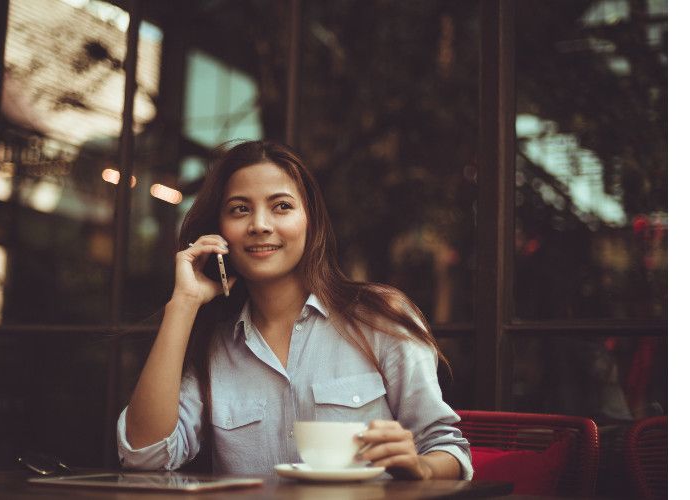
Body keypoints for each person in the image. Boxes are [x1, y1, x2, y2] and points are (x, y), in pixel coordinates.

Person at [117, 140, 473, 480]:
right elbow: (144, 455)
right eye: (240, 209)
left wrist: (420, 467)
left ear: (310, 221)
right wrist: (183, 304)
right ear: (220, 231)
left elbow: (447, 449)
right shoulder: (213, 345)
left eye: (281, 206)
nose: (259, 225)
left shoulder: (378, 317)